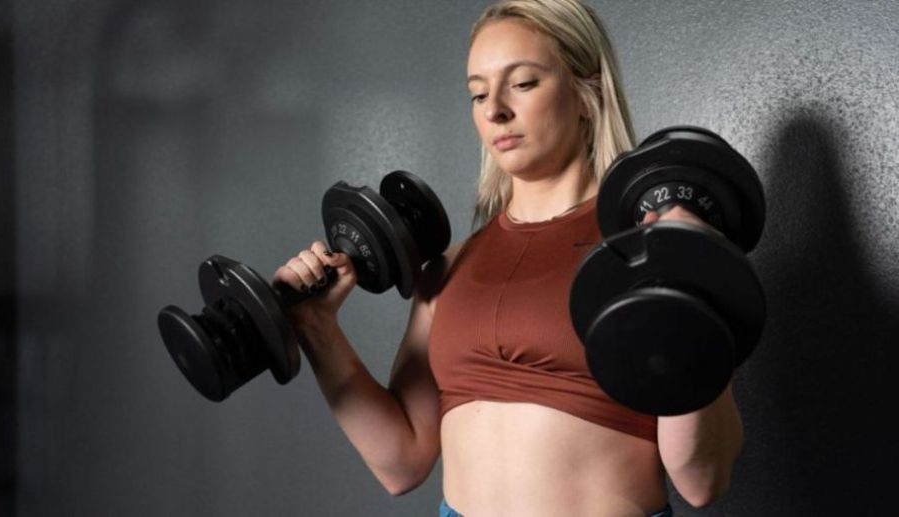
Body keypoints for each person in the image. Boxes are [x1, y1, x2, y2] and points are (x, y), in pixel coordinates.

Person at [274, 1, 743, 515]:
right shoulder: (447, 269)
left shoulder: (646, 252)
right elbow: (402, 462)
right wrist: (316, 328)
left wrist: (686, 286)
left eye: (522, 83)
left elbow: (702, 479)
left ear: (586, 92)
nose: (494, 108)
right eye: (478, 92)